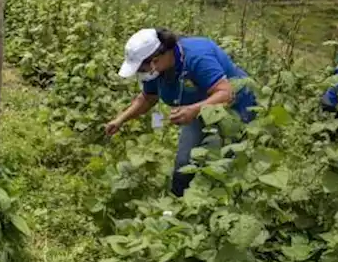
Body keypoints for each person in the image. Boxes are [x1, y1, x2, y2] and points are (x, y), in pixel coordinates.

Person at [105, 28, 257, 196]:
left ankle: (224, 205)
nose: (141, 74)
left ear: (155, 60)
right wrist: (120, 120)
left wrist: (192, 110)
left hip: (235, 107)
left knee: (228, 160)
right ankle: (177, 207)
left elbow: (226, 93)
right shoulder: (157, 71)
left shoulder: (197, 57)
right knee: (184, 162)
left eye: (141, 69)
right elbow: (147, 98)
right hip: (196, 108)